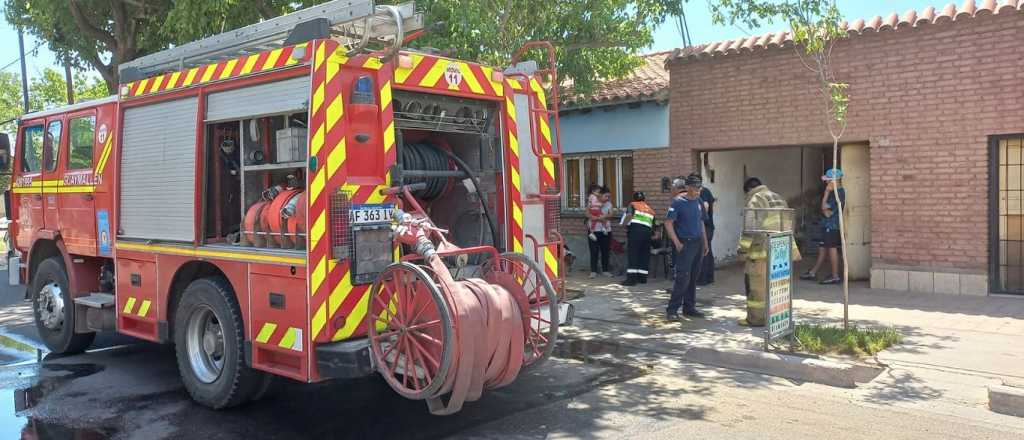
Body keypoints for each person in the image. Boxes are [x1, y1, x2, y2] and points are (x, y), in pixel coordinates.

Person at [738, 177, 801, 327]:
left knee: (757, 288)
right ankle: (778, 317)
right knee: (777, 286)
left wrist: (742, 250)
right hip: (781, 249)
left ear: (748, 190)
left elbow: (750, 228)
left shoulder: (755, 199)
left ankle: (757, 319)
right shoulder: (778, 197)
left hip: (762, 251)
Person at [664, 175, 709, 320]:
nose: (698, 191)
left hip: (698, 243)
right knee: (682, 277)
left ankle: (689, 308)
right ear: (688, 187)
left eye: (699, 189)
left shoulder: (699, 201)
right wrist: (677, 243)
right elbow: (668, 223)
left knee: (693, 276)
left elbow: (701, 222)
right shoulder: (678, 202)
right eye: (695, 189)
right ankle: (672, 310)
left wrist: (705, 242)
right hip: (685, 243)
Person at [801, 168, 846, 285]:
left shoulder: (838, 193)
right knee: (822, 248)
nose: (826, 183)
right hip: (826, 224)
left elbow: (825, 210)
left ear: (834, 181)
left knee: (831, 248)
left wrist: (826, 192)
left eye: (828, 180)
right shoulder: (835, 192)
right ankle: (813, 272)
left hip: (831, 225)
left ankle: (835, 276)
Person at [621, 191, 656, 286]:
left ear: (634, 198)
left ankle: (631, 280)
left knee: (633, 254)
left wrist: (624, 224)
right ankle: (642, 278)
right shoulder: (650, 209)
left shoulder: (632, 205)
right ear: (644, 199)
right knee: (644, 255)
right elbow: (653, 225)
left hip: (635, 233)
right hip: (647, 234)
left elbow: (628, 215)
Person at [692, 173, 716, 286]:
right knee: (708, 251)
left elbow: (705, 206)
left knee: (703, 251)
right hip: (709, 225)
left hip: (705, 226)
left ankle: (702, 279)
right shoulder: (706, 191)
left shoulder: (703, 191)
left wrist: (698, 217)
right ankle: (709, 277)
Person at [586, 185, 614, 278]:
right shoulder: (592, 202)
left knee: (605, 251)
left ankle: (605, 270)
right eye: (606, 196)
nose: (607, 198)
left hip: (606, 231)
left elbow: (611, 214)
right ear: (600, 195)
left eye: (608, 196)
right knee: (594, 251)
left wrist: (604, 217)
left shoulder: (609, 204)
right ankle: (593, 271)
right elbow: (586, 213)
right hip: (593, 231)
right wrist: (593, 217)